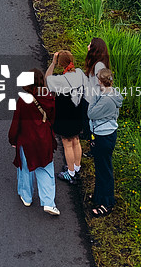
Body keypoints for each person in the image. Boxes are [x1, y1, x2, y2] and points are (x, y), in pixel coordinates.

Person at [8, 69, 60, 215]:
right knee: (46, 169)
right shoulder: (48, 97)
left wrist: (12, 138)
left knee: (25, 168)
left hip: (26, 140)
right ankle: (49, 202)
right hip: (44, 139)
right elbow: (52, 118)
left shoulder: (23, 100)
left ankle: (27, 197)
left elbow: (16, 122)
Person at [45, 50, 86, 184]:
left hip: (65, 116)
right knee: (76, 140)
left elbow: (47, 79)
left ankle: (70, 173)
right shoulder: (80, 73)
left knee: (67, 144)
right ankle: (77, 167)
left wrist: (53, 63)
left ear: (61, 64)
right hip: (78, 114)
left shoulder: (60, 80)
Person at [88, 68, 123, 217]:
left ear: (101, 81)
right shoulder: (112, 93)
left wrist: (92, 99)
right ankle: (99, 196)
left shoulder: (106, 99)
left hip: (103, 136)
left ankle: (107, 203)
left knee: (105, 170)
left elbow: (91, 113)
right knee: (100, 168)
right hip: (107, 134)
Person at [82, 37, 111, 142]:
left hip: (92, 100)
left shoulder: (99, 65)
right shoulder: (96, 63)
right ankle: (88, 137)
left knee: (91, 124)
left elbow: (102, 85)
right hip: (89, 98)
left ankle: (91, 144)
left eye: (90, 45)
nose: (88, 47)